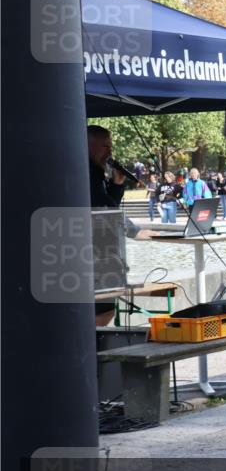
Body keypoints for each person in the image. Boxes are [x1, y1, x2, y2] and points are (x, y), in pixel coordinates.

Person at [87, 125, 150, 326]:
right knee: (100, 314)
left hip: (101, 252)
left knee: (105, 312)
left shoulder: (96, 172)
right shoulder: (85, 173)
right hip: (91, 253)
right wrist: (134, 231)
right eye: (104, 146)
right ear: (86, 144)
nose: (109, 152)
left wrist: (117, 184)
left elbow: (105, 204)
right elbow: (103, 208)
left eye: (110, 146)